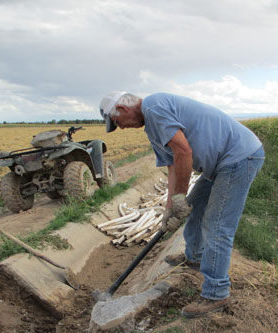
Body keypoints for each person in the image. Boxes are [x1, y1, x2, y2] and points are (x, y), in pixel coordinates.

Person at [99, 91, 264, 318]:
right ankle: (195, 257)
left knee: (217, 225)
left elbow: (184, 152)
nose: (122, 128)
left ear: (124, 109)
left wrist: (179, 198)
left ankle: (216, 293)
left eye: (117, 122)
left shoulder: (154, 107)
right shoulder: (152, 127)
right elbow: (172, 168)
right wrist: (170, 208)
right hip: (221, 162)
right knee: (195, 208)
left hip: (238, 157)